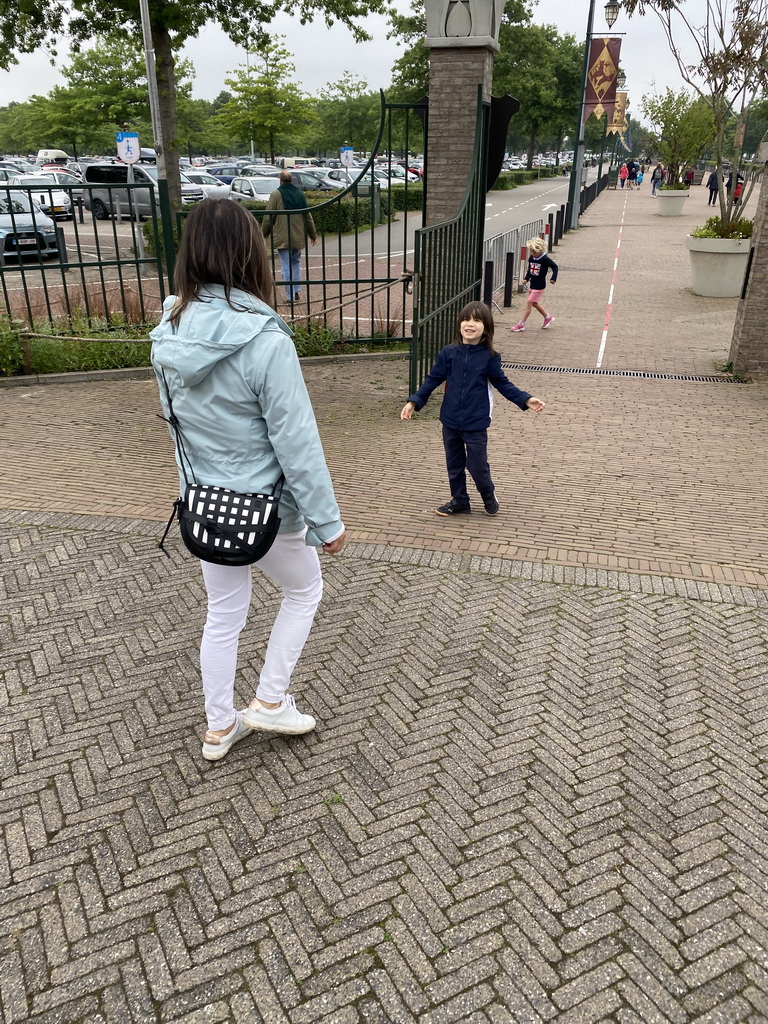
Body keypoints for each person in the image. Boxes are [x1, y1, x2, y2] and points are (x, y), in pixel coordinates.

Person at [150, 199, 345, 762]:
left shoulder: (169, 331)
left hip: (206, 504)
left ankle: (218, 727)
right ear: (250, 254)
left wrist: (192, 493)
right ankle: (268, 700)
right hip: (267, 508)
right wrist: (326, 520)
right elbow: (297, 443)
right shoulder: (266, 339)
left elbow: (177, 429)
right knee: (304, 589)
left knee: (224, 612)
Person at [400, 301, 545, 517]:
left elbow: (503, 383)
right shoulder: (448, 353)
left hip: (475, 422)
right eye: (466, 319)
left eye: (477, 320)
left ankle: (488, 494)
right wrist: (414, 401)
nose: (470, 324)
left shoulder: (490, 357)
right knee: (455, 465)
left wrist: (525, 399)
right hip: (449, 420)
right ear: (459, 324)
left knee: (477, 465)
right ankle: (460, 501)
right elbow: (432, 380)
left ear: (486, 327)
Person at [262, 170, 317, 303]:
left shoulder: (276, 194)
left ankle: (290, 296)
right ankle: (296, 290)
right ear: (291, 180)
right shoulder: (299, 194)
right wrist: (312, 234)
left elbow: (269, 216)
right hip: (297, 235)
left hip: (282, 236)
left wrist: (263, 233)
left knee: (286, 265)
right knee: (296, 263)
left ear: (280, 180)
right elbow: (307, 216)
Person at [510, 236, 558, 332]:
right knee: (535, 304)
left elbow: (555, 267)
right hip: (533, 284)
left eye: (534, 252)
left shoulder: (544, 259)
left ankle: (521, 323)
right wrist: (526, 278)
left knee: (529, 303)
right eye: (531, 251)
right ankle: (547, 317)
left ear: (540, 250)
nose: (532, 254)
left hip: (539, 285)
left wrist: (553, 278)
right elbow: (530, 270)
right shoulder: (532, 258)